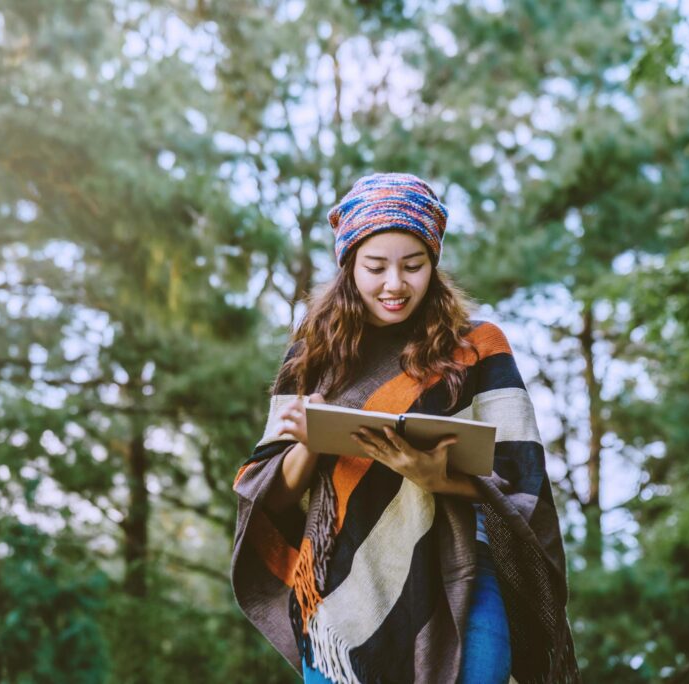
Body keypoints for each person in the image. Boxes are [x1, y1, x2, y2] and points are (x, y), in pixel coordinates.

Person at [230, 173, 579, 684]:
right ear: (349, 265)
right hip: (340, 599)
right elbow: (270, 499)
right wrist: (305, 447)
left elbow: (522, 480)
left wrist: (434, 476)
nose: (395, 284)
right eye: (376, 267)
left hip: (464, 577)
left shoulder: (479, 346)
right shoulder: (311, 355)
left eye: (413, 266)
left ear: (433, 265)